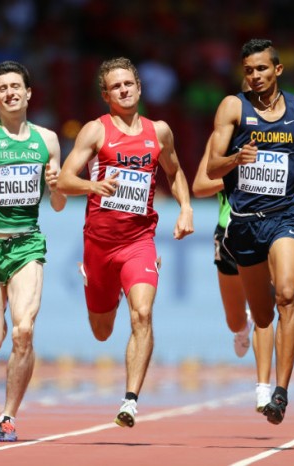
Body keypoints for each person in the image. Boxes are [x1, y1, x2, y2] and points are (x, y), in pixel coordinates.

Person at [206, 38, 294, 425]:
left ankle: (280, 392)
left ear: (278, 70)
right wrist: (236, 158)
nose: (255, 76)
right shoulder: (233, 107)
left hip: (284, 217)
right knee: (264, 315)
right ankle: (264, 368)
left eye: (262, 68)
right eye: (249, 70)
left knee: (287, 295)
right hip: (243, 223)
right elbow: (211, 168)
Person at [57, 57, 194, 428]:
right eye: (115, 87)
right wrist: (93, 185)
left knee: (143, 314)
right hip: (99, 245)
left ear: (139, 87)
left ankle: (130, 401)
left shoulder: (159, 131)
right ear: (106, 95)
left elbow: (175, 171)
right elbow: (64, 180)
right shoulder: (95, 131)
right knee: (102, 332)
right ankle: (104, 285)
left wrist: (185, 208)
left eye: (128, 83)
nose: (124, 90)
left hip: (139, 241)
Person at [0, 61, 67, 442]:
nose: (10, 93)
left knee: (24, 331)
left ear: (28, 93)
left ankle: (8, 416)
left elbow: (58, 204)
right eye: (2, 89)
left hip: (27, 244)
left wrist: (56, 186)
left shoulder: (48, 140)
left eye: (15, 86)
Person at [192, 137, 294, 413]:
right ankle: (242, 328)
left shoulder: (273, 134)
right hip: (229, 234)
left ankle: (263, 389)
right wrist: (236, 173)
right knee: (234, 320)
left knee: (268, 308)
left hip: (267, 229)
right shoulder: (222, 138)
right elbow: (199, 186)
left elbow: (286, 178)